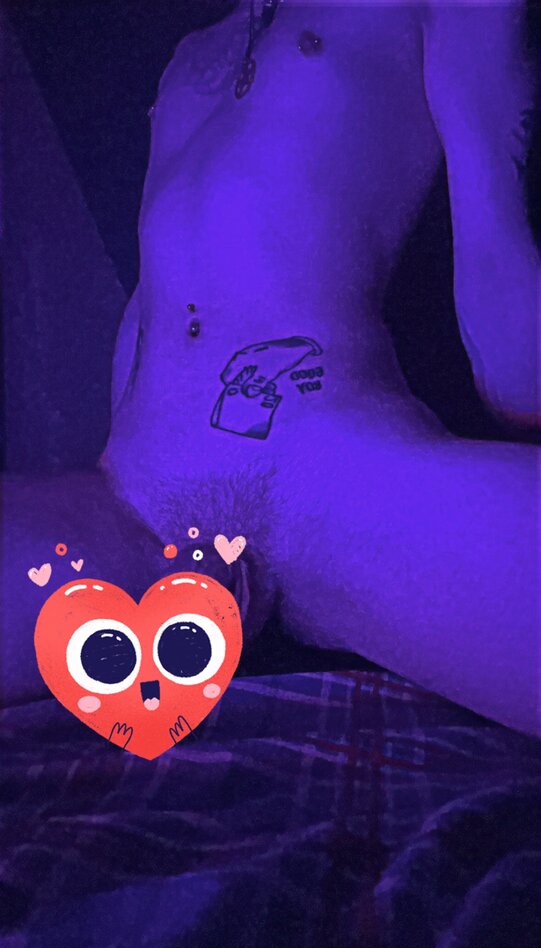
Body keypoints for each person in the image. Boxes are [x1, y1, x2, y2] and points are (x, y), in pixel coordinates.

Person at [3, 0, 540, 739]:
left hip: (326, 483)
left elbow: (506, 320)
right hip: (136, 499)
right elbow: (160, 295)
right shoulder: (192, 52)